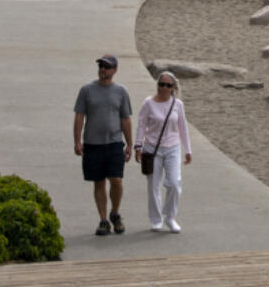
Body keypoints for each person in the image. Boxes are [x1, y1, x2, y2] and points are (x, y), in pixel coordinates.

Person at [73, 54, 133, 236]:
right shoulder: (87, 90)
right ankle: (103, 219)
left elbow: (125, 119)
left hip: (114, 142)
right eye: (101, 66)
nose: (103, 69)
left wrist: (129, 144)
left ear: (115, 70)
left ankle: (115, 213)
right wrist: (77, 141)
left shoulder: (121, 91)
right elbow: (79, 116)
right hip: (93, 143)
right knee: (98, 182)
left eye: (107, 67)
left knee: (116, 180)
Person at [134, 71, 192, 233]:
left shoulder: (177, 104)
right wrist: (138, 146)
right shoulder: (148, 103)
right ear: (157, 85)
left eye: (168, 85)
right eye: (161, 84)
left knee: (174, 183)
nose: (164, 88)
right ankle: (155, 219)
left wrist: (188, 150)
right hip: (152, 148)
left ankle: (170, 217)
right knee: (153, 185)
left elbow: (183, 128)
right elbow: (141, 125)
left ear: (173, 88)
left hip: (173, 147)